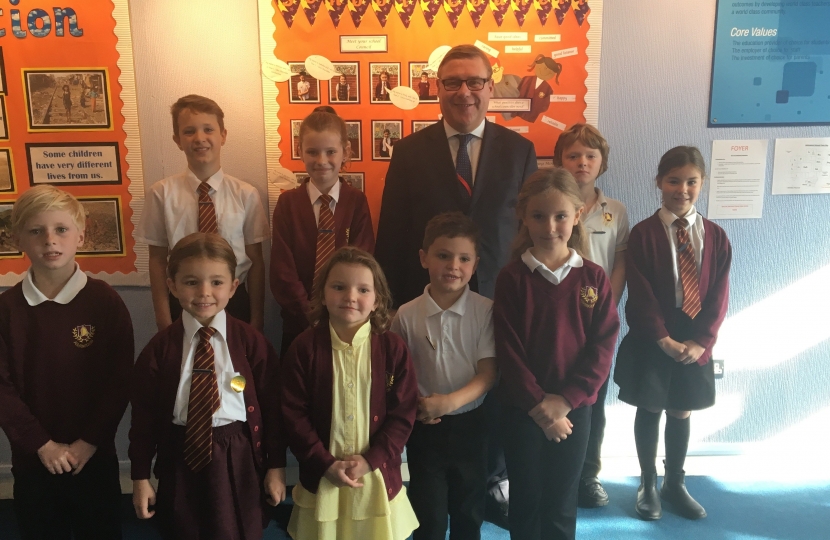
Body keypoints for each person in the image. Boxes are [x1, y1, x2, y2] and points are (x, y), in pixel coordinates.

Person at [375, 44, 537, 521]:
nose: (464, 92)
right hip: (431, 304)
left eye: (475, 82)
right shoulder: (408, 152)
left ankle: (491, 482)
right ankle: (433, 495)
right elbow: (392, 234)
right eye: (452, 82)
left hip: (498, 301)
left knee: (496, 396)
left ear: (491, 87)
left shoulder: (520, 150)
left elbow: (526, 233)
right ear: (437, 89)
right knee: (436, 405)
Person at [129, 233, 287, 540]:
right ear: (172, 286)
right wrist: (140, 476)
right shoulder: (159, 349)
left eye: (216, 282)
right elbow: (144, 419)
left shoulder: (252, 344)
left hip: (239, 455)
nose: (204, 292)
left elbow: (272, 410)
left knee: (238, 529)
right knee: (183, 529)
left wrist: (276, 467)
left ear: (233, 287)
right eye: (191, 282)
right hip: (179, 454)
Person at [0, 185, 134, 539]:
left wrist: (88, 442)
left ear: (81, 234)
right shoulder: (7, 310)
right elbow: (2, 388)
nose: (50, 240)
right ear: (18, 240)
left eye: (61, 229)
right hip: (34, 459)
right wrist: (42, 445)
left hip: (93, 455)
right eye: (36, 231)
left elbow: (119, 380)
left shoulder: (105, 303)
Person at [493, 169, 619, 540]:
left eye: (560, 216)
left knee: (562, 502)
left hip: (574, 413)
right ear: (523, 216)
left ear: (578, 215)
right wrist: (539, 406)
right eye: (538, 216)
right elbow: (507, 348)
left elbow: (603, 345)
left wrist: (565, 401)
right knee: (526, 501)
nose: (550, 226)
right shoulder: (512, 278)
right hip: (523, 411)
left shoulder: (593, 278)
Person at [614, 146, 731, 521]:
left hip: (695, 336)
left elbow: (719, 293)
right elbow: (641, 292)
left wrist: (702, 341)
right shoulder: (643, 234)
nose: (682, 189)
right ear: (659, 182)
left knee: (681, 409)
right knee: (650, 405)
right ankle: (647, 482)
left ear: (702, 184)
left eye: (691, 181)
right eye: (674, 180)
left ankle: (674, 482)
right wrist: (662, 338)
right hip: (655, 336)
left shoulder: (715, 235)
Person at [280, 246, 419, 539]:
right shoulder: (304, 348)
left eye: (363, 289)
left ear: (377, 300)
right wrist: (324, 463)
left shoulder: (393, 349)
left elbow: (403, 413)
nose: (350, 296)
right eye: (339, 286)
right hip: (323, 475)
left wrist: (372, 460)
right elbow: (293, 413)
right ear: (322, 293)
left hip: (376, 476)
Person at [391, 212, 497, 540]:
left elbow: (488, 373)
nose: (453, 265)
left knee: (468, 511)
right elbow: (395, 373)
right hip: (425, 428)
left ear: (475, 265)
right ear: (424, 258)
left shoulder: (485, 310)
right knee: (429, 513)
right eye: (443, 255)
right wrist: (418, 406)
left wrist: (448, 403)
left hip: (472, 425)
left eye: (464, 258)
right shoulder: (406, 315)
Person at [136, 94, 270, 332]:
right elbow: (157, 261)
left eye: (208, 129)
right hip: (183, 299)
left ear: (223, 135)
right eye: (189, 132)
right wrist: (164, 319)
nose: (200, 138)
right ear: (177, 140)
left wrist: (256, 318)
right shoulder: (161, 194)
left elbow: (256, 262)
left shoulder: (245, 195)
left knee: (234, 368)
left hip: (234, 300)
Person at [552, 123, 629, 508]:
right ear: (559, 161)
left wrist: (604, 309)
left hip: (596, 320)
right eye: (573, 155)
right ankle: (551, 470)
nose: (582, 162)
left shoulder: (615, 212)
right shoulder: (549, 206)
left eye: (590, 156)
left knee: (593, 398)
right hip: (556, 320)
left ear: (602, 163)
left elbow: (619, 262)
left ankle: (588, 475)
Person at [270, 110, 375, 356]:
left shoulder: (356, 202)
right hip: (298, 324)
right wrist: (311, 314)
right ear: (300, 151)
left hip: (347, 321)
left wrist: (337, 312)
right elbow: (282, 271)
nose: (321, 160)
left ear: (345, 152)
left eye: (330, 152)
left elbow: (363, 261)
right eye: (312, 152)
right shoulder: (288, 204)